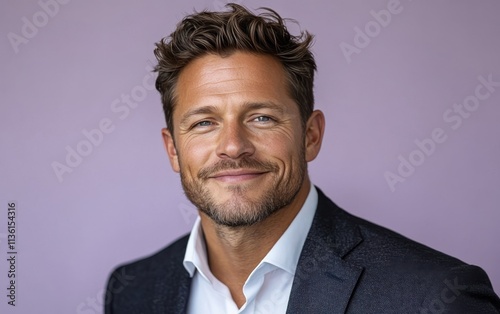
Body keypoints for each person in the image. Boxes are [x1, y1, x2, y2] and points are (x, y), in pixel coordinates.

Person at [105, 3, 500, 313]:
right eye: (205, 123)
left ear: (311, 135)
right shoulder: (133, 290)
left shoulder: (437, 297)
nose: (232, 145)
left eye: (261, 117)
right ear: (173, 148)